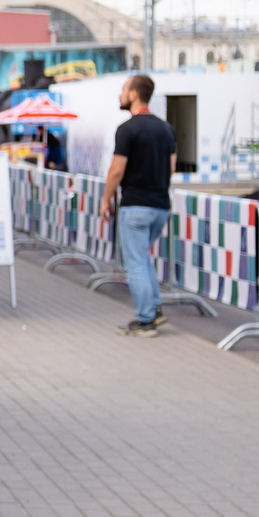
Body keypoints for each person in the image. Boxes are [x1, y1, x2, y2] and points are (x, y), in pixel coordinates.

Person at [103, 74, 175, 335]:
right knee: (143, 258)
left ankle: (145, 320)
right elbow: (171, 167)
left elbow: (116, 171)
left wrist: (105, 200)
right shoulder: (166, 128)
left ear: (134, 94)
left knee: (135, 262)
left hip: (135, 205)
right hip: (160, 205)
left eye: (123, 90)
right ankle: (154, 309)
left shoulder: (127, 129)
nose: (120, 95)